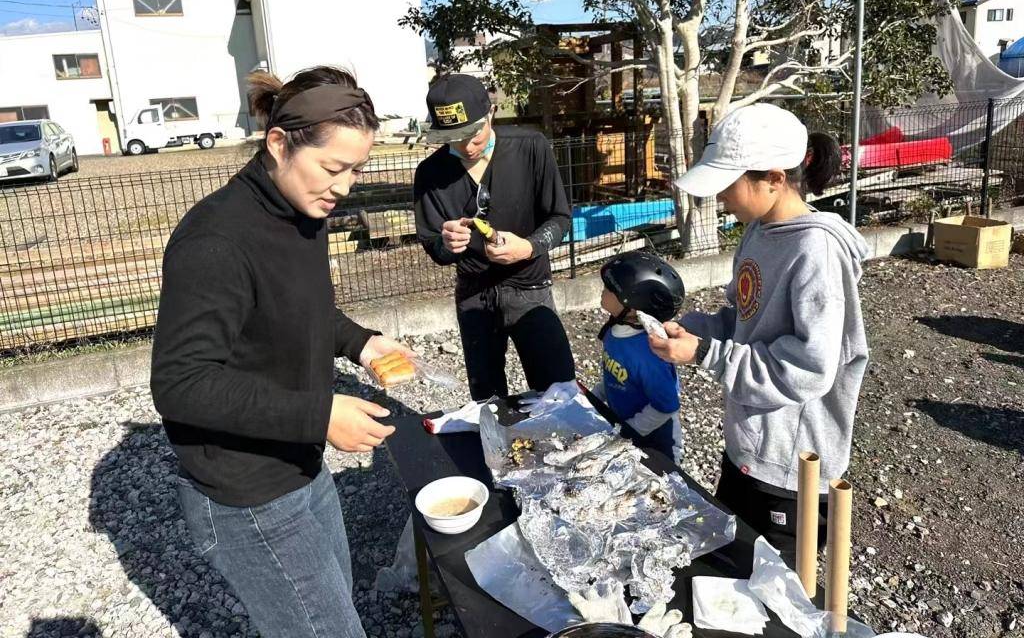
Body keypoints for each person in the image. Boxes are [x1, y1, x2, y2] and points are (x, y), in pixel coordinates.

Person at [150, 66, 411, 638]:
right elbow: (180, 382)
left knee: (332, 613)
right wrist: (320, 414)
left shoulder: (301, 211)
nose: (343, 187)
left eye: (356, 170)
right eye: (333, 167)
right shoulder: (216, 241)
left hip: (298, 459)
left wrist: (361, 343)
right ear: (278, 143)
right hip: (246, 491)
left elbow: (302, 309)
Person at [648, 102, 869, 563]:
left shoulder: (816, 252)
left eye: (728, 184)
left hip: (792, 469)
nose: (719, 197)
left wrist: (707, 354)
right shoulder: (757, 231)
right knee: (730, 573)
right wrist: (692, 330)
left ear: (774, 178)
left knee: (777, 595)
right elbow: (743, 321)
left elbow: (808, 368)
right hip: (747, 445)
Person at [413, 73, 576, 400]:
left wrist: (529, 247)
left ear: (490, 114)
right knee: (487, 398)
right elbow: (433, 243)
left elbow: (559, 217)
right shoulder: (430, 173)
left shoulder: (530, 147)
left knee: (558, 390)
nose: (466, 146)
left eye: (474, 134)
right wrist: (446, 244)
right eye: (454, 138)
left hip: (529, 286)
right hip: (474, 294)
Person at [591, 250, 686, 464]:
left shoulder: (649, 352)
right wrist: (596, 396)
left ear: (632, 306)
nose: (602, 291)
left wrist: (628, 432)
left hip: (655, 443)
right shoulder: (614, 330)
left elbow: (666, 405)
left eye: (609, 288)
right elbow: (615, 373)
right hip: (625, 426)